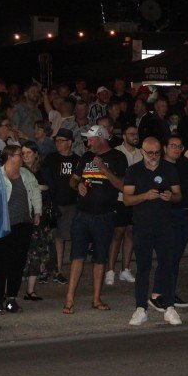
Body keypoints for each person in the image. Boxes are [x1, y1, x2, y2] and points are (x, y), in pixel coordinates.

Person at [63, 125, 127, 314]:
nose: (87, 142)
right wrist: (78, 184)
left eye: (90, 139)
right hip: (82, 214)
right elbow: (72, 180)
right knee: (77, 256)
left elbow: (123, 186)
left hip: (105, 216)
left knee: (100, 258)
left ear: (101, 139)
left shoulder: (117, 158)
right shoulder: (86, 157)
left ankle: (96, 298)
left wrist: (103, 169)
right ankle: (69, 299)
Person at [124, 137, 183, 326]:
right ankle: (140, 308)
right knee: (143, 267)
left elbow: (178, 195)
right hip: (142, 226)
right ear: (142, 152)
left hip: (165, 226)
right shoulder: (133, 171)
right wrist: (145, 196)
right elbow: (127, 200)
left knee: (167, 266)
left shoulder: (169, 169)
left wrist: (170, 196)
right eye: (150, 153)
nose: (154, 157)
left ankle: (169, 307)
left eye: (157, 153)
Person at [151, 135, 188, 310]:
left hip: (184, 215)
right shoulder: (162, 167)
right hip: (170, 216)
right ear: (165, 148)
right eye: (173, 146)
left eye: (179, 146)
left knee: (175, 257)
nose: (176, 149)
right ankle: (157, 294)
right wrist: (185, 159)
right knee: (168, 256)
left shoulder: (183, 164)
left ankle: (168, 292)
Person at [0, 145, 42, 314]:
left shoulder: (26, 174)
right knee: (0, 264)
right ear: (10, 156)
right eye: (20, 155)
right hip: (2, 226)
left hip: (23, 224)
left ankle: (11, 298)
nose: (23, 157)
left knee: (17, 263)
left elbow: (35, 193)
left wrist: (37, 212)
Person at [42, 128, 79, 285]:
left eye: (61, 141)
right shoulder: (51, 159)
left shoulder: (77, 159)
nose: (57, 143)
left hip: (70, 204)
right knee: (48, 237)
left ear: (70, 142)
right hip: (52, 203)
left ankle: (57, 269)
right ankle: (45, 270)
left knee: (61, 237)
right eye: (56, 140)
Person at [106, 125, 142, 286]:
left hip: (136, 199)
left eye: (136, 134)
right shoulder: (116, 152)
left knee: (131, 233)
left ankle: (125, 269)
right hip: (120, 198)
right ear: (124, 136)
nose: (135, 136)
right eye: (131, 134)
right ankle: (110, 270)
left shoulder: (142, 152)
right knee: (117, 233)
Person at [21, 141, 50, 301]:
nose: (26, 156)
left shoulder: (42, 170)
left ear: (36, 154)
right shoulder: (19, 170)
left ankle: (30, 290)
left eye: (29, 153)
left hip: (39, 216)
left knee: (36, 253)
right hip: (21, 216)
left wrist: (34, 187)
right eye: (23, 153)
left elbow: (49, 188)